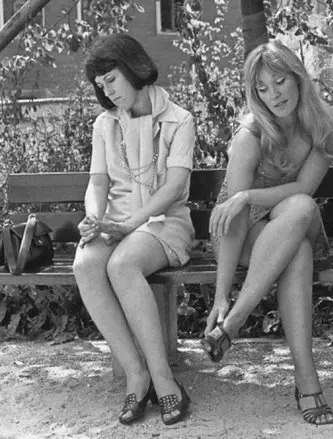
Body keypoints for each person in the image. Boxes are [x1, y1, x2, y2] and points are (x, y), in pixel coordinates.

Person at [201, 40, 333, 426]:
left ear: (298, 78)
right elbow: (233, 220)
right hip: (242, 233)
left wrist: (249, 194)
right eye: (262, 88)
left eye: (280, 82)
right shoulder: (250, 136)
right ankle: (307, 380)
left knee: (300, 207)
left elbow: (304, 190)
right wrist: (220, 295)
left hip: (293, 219)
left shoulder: (323, 129)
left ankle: (234, 324)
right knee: (297, 251)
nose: (274, 94)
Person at [73, 34, 194, 425]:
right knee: (85, 264)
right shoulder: (104, 124)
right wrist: (95, 218)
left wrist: (129, 224)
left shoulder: (179, 119)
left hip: (164, 223)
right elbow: (97, 183)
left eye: (111, 79)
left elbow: (174, 187)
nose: (107, 91)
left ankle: (164, 378)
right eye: (101, 85)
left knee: (122, 264)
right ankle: (136, 374)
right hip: (116, 222)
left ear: (132, 67)